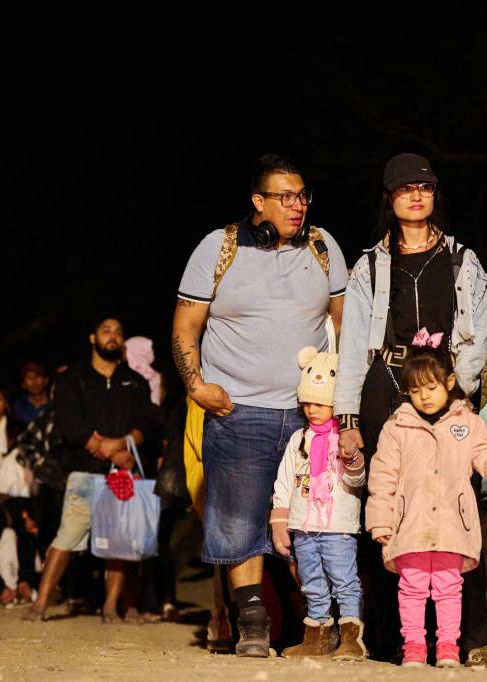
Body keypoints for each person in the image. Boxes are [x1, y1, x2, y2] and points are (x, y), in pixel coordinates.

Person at [172, 154, 347, 657]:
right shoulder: (218, 247)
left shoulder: (322, 245)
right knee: (239, 521)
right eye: (285, 197)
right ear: (258, 202)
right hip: (237, 410)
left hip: (308, 415)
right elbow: (186, 328)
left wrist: (342, 397)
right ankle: (251, 624)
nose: (298, 206)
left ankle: (320, 622)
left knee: (313, 520)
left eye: (303, 196)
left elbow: (345, 325)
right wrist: (197, 386)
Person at [335, 152, 487, 665]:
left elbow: (480, 329)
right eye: (405, 188)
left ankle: (473, 639)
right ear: (389, 198)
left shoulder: (461, 260)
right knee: (387, 506)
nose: (416, 195)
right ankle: (393, 639)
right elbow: (351, 347)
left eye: (425, 188)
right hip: (384, 385)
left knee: (458, 505)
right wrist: (346, 417)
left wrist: (458, 387)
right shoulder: (368, 266)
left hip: (446, 388)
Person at [365, 346, 487, 668]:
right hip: (410, 525)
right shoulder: (396, 427)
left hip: (453, 526)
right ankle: (413, 645)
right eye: (415, 390)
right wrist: (381, 522)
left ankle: (447, 647)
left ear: (450, 381)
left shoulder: (467, 423)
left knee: (449, 588)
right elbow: (382, 477)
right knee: (411, 588)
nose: (424, 396)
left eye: (431, 387)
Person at [24, 315, 163, 623]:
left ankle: (111, 607)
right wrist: (108, 450)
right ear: (92, 338)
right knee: (67, 537)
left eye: (118, 331)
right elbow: (68, 422)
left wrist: (126, 443)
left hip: (122, 476)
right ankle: (40, 603)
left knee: (119, 544)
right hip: (85, 473)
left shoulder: (134, 382)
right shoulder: (73, 378)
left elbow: (149, 422)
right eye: (106, 330)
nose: (112, 336)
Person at [271, 346, 366, 661]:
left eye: (321, 402)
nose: (312, 409)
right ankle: (317, 637)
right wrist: (280, 521)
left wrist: (352, 463)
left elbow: (357, 482)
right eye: (307, 402)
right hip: (304, 527)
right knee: (311, 581)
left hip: (338, 526)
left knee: (344, 579)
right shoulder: (300, 439)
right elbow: (285, 481)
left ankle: (351, 638)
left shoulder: (347, 438)